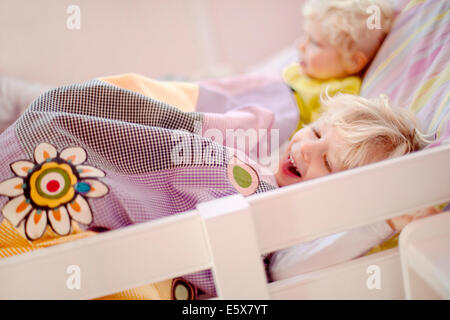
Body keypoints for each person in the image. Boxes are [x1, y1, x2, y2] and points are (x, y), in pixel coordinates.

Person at [283, 0, 395, 133]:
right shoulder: (298, 71)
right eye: (305, 35)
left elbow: (317, 132)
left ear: (353, 61)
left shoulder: (339, 94)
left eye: (314, 42)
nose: (300, 45)